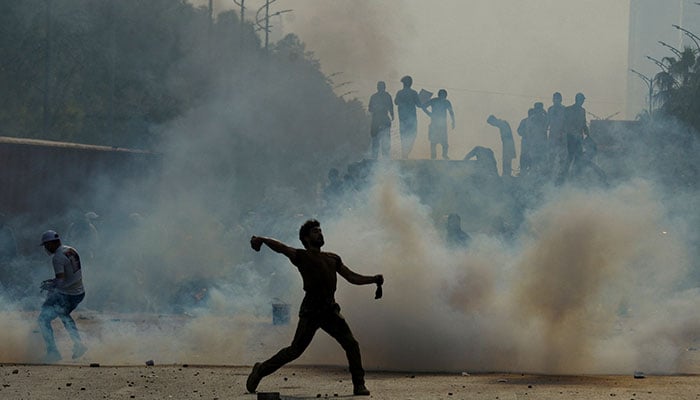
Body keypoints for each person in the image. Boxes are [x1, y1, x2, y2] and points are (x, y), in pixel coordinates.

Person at [246, 219, 384, 396]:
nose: (320, 233)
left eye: (320, 230)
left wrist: (373, 280)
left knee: (351, 344)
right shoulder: (301, 256)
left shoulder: (332, 258)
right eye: (315, 231)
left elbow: (351, 277)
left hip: (330, 310)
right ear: (305, 238)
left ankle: (359, 385)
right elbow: (281, 247)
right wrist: (262, 239)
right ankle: (260, 370)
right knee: (295, 351)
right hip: (311, 311)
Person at [37, 230, 87, 362]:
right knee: (63, 314)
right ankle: (78, 344)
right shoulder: (70, 249)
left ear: (52, 243)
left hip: (68, 294)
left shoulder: (57, 258)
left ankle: (54, 352)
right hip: (78, 292)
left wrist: (50, 285)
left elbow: (60, 280)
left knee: (43, 319)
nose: (46, 248)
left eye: (47, 245)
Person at [558, 92, 589, 184]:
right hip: (570, 136)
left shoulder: (582, 110)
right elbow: (564, 123)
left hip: (579, 137)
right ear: (578, 100)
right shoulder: (568, 110)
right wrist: (562, 134)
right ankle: (564, 176)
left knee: (578, 157)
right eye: (582, 100)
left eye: (583, 100)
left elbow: (584, 123)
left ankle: (575, 175)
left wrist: (588, 134)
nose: (583, 101)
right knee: (570, 156)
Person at [394, 75, 423, 158]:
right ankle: (406, 152)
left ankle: (404, 153)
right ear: (411, 83)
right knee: (412, 134)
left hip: (402, 118)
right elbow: (419, 105)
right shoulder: (414, 93)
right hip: (412, 118)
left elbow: (396, 102)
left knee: (403, 135)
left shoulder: (400, 93)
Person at [423, 89, 455, 160]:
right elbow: (423, 106)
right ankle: (434, 156)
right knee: (434, 142)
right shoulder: (434, 101)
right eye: (443, 95)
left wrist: (453, 121)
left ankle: (443, 155)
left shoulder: (446, 102)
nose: (443, 97)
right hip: (435, 124)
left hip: (442, 125)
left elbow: (451, 112)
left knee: (444, 143)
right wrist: (429, 114)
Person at [368, 81, 394, 159]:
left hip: (379, 120)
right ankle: (380, 159)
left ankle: (380, 159)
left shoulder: (375, 96)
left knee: (381, 141)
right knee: (379, 141)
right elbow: (370, 109)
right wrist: (392, 115)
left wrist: (392, 115)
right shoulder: (386, 96)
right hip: (380, 120)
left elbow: (370, 109)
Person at [547, 92, 567, 180]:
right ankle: (551, 174)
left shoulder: (564, 109)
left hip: (562, 136)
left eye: (558, 98)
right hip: (552, 136)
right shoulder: (550, 109)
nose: (556, 100)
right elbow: (547, 122)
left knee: (562, 156)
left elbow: (567, 122)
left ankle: (561, 175)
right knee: (552, 156)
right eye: (555, 98)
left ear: (561, 100)